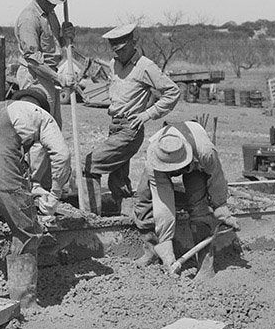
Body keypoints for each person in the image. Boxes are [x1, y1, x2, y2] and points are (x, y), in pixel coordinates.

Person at [0, 85, 71, 311]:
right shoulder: (40, 115)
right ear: (41, 105)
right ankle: (24, 302)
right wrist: (55, 195)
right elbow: (62, 155)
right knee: (27, 231)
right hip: (0, 168)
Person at [84, 23, 180, 203]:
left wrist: (147, 114)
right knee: (118, 179)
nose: (118, 53)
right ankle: (128, 212)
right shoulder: (114, 64)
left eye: (122, 49)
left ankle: (89, 214)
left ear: (132, 43)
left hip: (130, 129)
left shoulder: (145, 66)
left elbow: (172, 92)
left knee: (89, 164)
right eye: (115, 50)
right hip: (115, 126)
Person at [133, 120, 239, 275]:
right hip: (161, 165)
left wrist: (221, 208)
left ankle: (205, 266)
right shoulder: (154, 158)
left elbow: (217, 178)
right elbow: (163, 205)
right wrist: (166, 247)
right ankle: (153, 251)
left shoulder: (205, 152)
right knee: (144, 198)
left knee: (199, 207)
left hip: (194, 163)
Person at [14, 0, 74, 189]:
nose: (54, 5)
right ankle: (35, 186)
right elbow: (33, 59)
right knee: (38, 132)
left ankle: (46, 183)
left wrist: (66, 36)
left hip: (50, 77)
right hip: (36, 78)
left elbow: (54, 45)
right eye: (51, 1)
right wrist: (59, 77)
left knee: (53, 130)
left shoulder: (50, 14)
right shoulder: (29, 18)